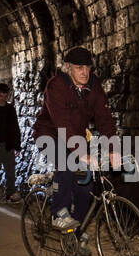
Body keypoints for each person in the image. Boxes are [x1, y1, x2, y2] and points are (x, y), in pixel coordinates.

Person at [32, 47, 119, 242]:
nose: (84, 72)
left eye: (87, 67)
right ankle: (58, 214)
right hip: (49, 134)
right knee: (65, 162)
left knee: (84, 185)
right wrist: (81, 152)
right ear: (68, 68)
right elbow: (62, 123)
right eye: (79, 67)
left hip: (75, 138)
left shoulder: (93, 87)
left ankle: (75, 233)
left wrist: (113, 150)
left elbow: (104, 119)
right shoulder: (56, 86)